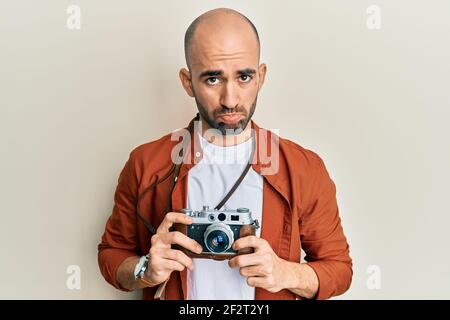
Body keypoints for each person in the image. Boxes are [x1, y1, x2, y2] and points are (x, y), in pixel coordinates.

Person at [98, 7, 352, 300]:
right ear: (187, 81)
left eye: (244, 77)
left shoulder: (302, 168)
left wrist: (285, 272)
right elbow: (112, 254)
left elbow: (340, 269)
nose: (230, 100)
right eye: (213, 79)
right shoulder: (146, 164)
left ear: (261, 76)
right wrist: (146, 270)